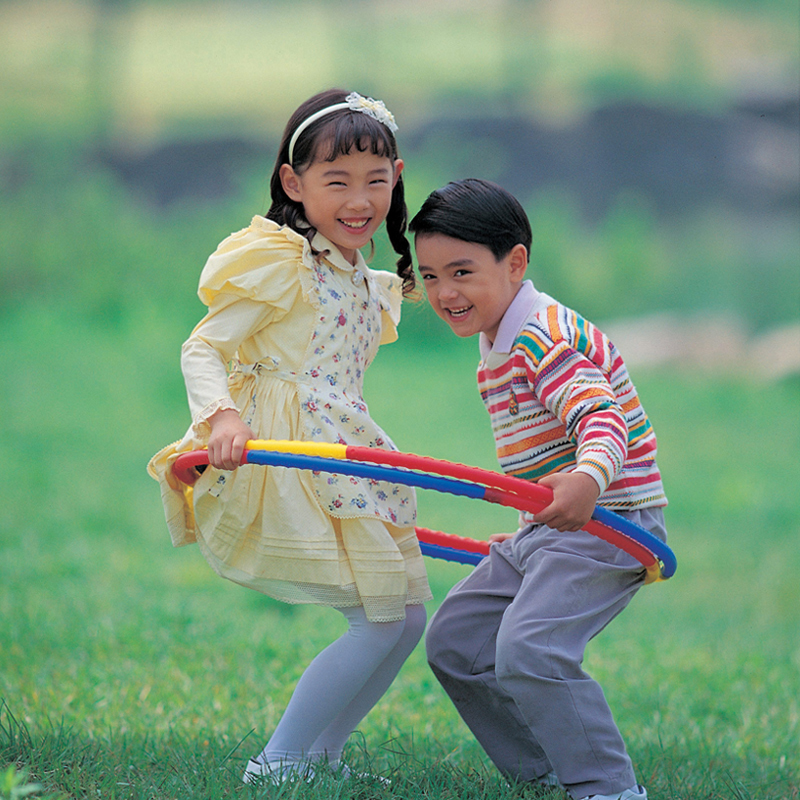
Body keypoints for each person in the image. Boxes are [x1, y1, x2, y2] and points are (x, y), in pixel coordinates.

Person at [147, 89, 432, 784]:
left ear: (395, 177)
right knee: (377, 619)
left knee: (409, 618)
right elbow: (201, 349)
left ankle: (319, 757)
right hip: (292, 452)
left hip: (349, 449)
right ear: (293, 183)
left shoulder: (365, 278)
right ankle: (276, 762)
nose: (359, 200)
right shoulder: (281, 262)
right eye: (337, 182)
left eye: (374, 180)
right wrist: (224, 417)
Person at [409, 178, 668, 800]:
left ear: (515, 261)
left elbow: (601, 418)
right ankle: (543, 773)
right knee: (456, 643)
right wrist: (538, 523)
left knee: (530, 647)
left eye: (462, 272)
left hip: (612, 521)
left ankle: (607, 787)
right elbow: (542, 453)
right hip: (552, 524)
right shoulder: (495, 335)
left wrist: (585, 480)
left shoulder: (541, 335)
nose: (445, 293)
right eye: (431, 275)